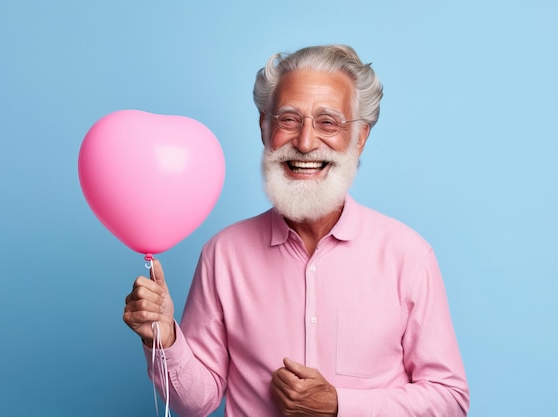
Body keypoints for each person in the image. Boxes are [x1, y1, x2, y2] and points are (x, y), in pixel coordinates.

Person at [123, 44, 470, 416]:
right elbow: (197, 402)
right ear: (264, 127)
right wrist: (165, 338)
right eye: (288, 120)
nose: (305, 143)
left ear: (360, 138)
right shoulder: (223, 254)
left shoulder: (409, 256)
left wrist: (340, 405)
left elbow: (449, 399)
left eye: (328, 123)